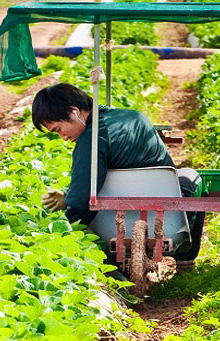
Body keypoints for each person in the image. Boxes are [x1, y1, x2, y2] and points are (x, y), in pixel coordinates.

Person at [33, 83, 204, 269]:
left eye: (58, 129)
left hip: (114, 225)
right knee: (191, 176)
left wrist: (64, 228)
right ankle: (185, 257)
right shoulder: (135, 117)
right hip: (166, 218)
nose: (63, 138)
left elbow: (83, 198)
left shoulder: (91, 139)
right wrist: (69, 195)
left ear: (75, 112)